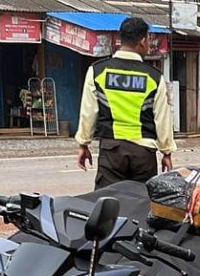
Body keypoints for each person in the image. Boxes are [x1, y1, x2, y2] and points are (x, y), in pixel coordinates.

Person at [75, 16, 176, 189]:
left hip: (111, 151)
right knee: (141, 206)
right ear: (142, 41)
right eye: (149, 39)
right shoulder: (154, 77)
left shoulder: (98, 71)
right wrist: (166, 152)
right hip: (143, 154)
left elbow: (88, 112)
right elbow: (162, 119)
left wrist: (83, 144)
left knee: (108, 204)